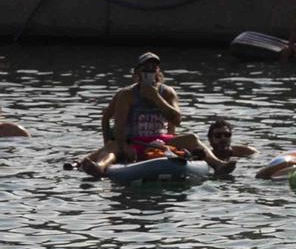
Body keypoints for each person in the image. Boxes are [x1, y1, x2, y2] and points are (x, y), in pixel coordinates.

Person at [75, 52, 233, 177]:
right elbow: (119, 127)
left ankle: (218, 164)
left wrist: (156, 97)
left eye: (153, 68)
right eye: (145, 69)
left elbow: (177, 120)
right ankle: (100, 168)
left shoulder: (167, 92)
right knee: (113, 146)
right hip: (135, 140)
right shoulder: (127, 94)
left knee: (191, 138)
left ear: (158, 71)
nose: (149, 72)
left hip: (160, 140)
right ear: (138, 72)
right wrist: (124, 147)